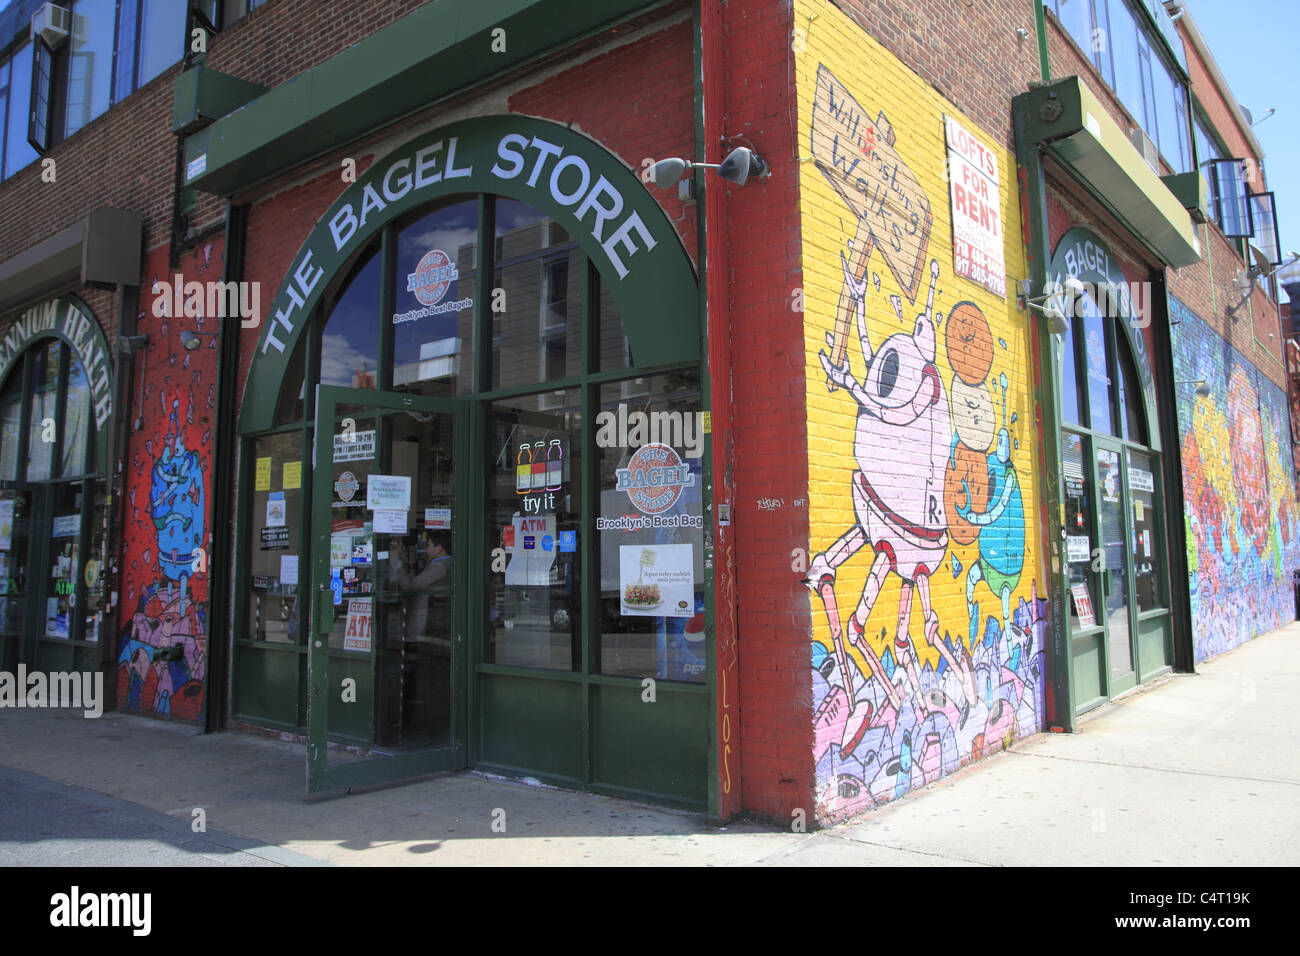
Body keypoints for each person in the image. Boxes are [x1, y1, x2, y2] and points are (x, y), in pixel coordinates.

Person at [387, 532, 452, 641]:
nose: (426, 550)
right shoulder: (444, 563)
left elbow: (411, 586)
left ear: (439, 548)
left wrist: (397, 563)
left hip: (430, 617)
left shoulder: (439, 567)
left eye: (428, 546)